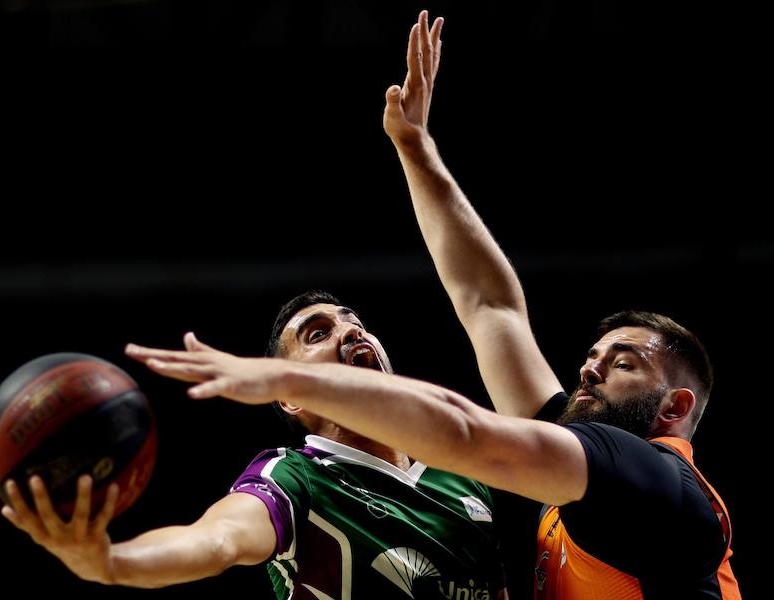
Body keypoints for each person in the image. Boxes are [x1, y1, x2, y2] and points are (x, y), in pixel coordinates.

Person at [129, 10, 741, 599]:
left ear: (674, 406)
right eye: (594, 355)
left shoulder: (653, 480)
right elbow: (490, 306)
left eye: (624, 363)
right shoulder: (575, 450)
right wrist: (416, 148)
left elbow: (468, 432)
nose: (588, 368)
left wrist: (282, 374)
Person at [1, 290, 509, 599]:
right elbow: (217, 541)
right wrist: (113, 563)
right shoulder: (294, 477)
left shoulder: (466, 476)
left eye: (353, 320)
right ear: (288, 395)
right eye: (317, 333)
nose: (350, 330)